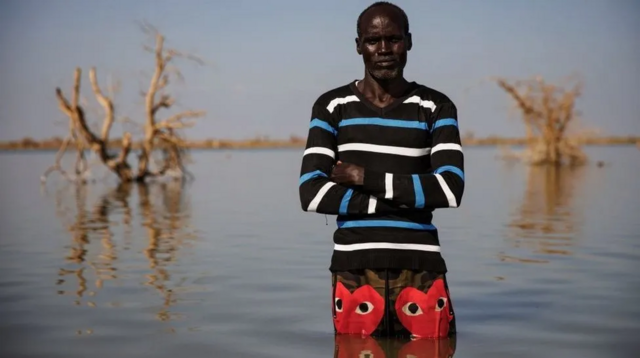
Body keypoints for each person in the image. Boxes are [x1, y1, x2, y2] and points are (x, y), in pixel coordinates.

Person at [298, 1, 464, 339]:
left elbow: (449, 189)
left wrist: (363, 178)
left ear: (409, 41)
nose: (384, 49)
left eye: (394, 39)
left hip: (422, 270)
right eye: (373, 40)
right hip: (353, 272)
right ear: (358, 45)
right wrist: (406, 199)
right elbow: (311, 193)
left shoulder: (436, 106)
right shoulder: (332, 107)